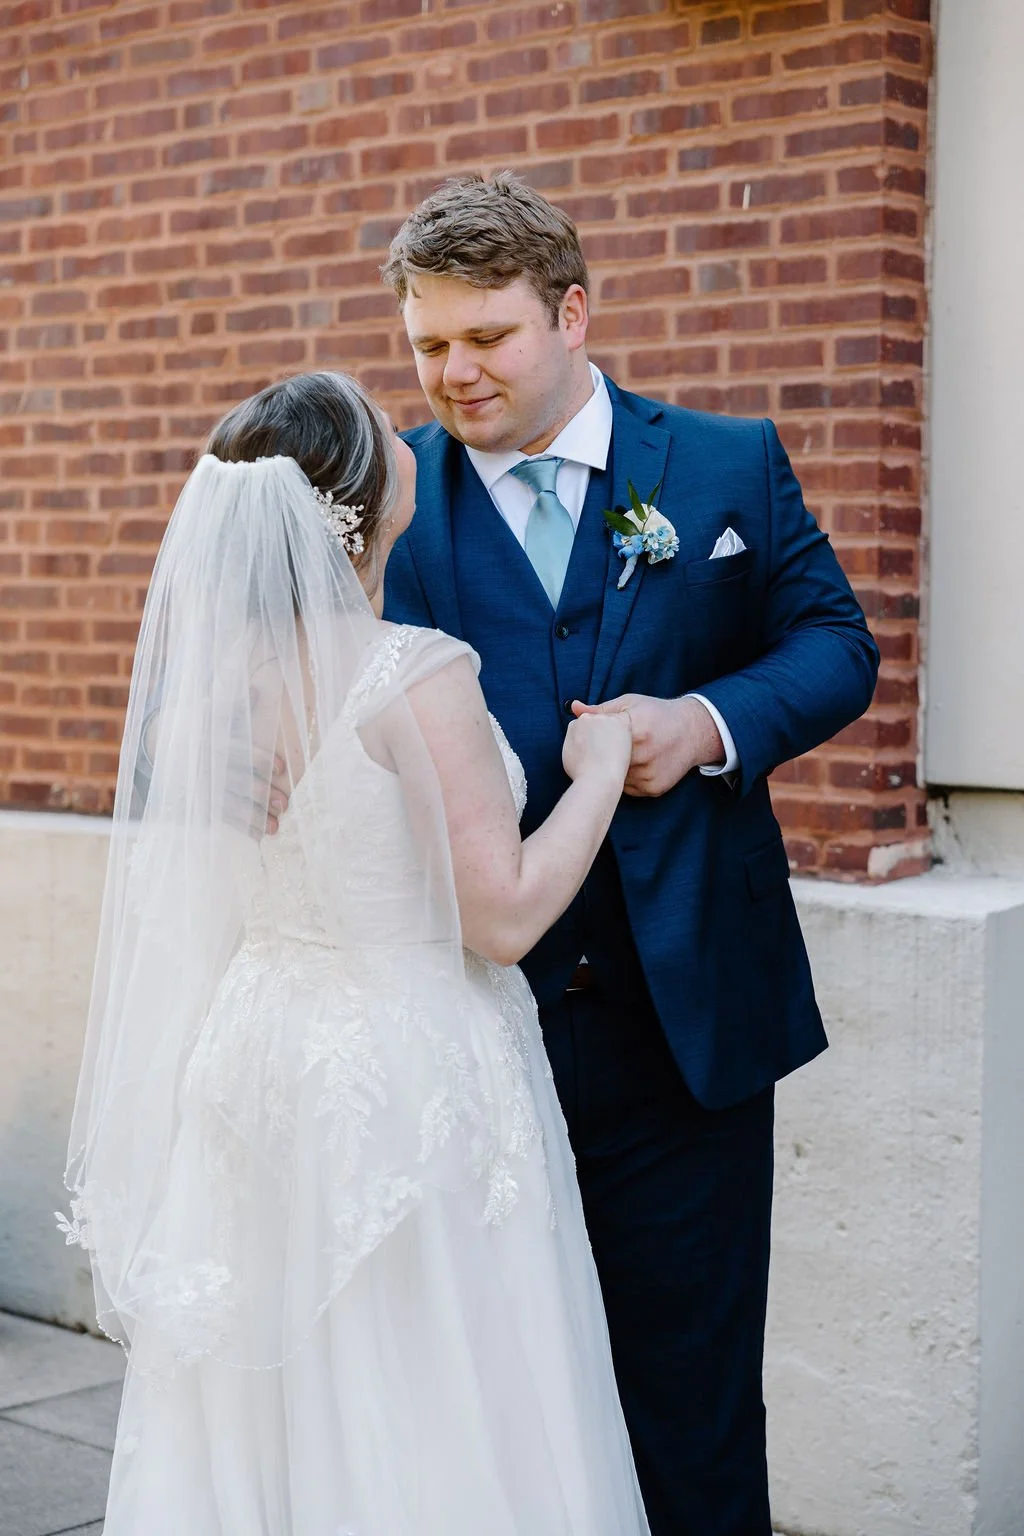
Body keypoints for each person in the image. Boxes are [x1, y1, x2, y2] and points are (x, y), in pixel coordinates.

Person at [61, 370, 651, 1535]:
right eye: (385, 422)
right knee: (422, 1380)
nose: (406, 422)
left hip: (257, 1054)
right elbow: (506, 917)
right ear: (359, 498)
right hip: (404, 1066)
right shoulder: (412, 675)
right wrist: (596, 777)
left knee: (275, 1393)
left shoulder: (208, 692)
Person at [380, 170, 881, 1536]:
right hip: (474, 1032)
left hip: (688, 1025)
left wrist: (711, 721)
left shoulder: (723, 464)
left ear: (576, 313)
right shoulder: (387, 502)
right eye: (431, 344)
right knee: (497, 1406)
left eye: (489, 337)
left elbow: (838, 647)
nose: (455, 372)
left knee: (693, 1399)